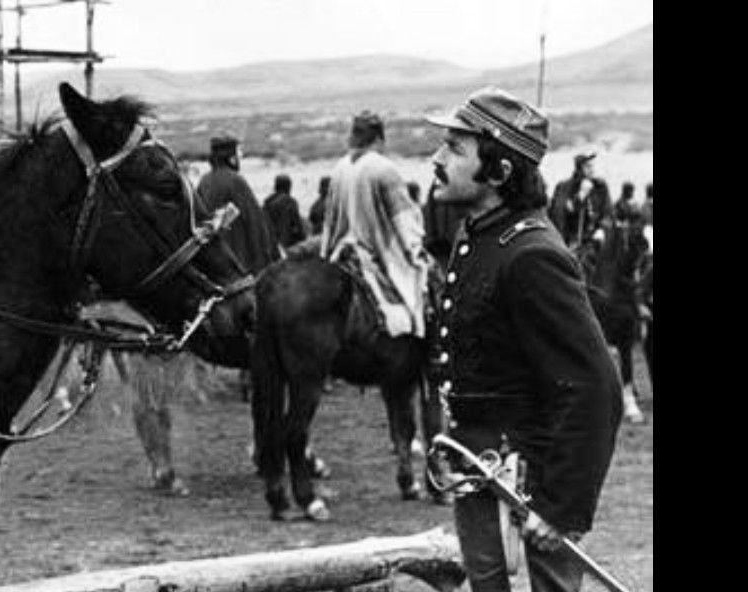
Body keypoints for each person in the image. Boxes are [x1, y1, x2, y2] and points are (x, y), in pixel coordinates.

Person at [424, 87, 622, 592]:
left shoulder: (530, 254)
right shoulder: (480, 235)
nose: (437, 159)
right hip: (479, 468)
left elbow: (596, 387)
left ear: (499, 172)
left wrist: (560, 507)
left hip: (530, 480)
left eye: (454, 148)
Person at [316, 111, 430, 339]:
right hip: (376, 251)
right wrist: (416, 251)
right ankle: (427, 340)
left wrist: (325, 254)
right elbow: (404, 219)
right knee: (426, 284)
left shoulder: (340, 167)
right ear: (378, 138)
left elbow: (330, 219)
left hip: (341, 250)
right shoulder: (383, 168)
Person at [195, 134, 279, 274]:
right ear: (231, 157)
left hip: (212, 264)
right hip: (239, 263)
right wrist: (264, 263)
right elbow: (255, 223)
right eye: (238, 151)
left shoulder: (204, 181)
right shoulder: (236, 181)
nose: (241, 155)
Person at [548, 152, 612, 252]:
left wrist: (602, 229)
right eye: (587, 167)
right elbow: (560, 212)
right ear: (579, 169)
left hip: (595, 239)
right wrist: (581, 196)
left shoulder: (600, 187)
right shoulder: (566, 187)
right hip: (572, 239)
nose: (592, 170)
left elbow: (608, 212)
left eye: (592, 166)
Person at [262, 173, 307, 252]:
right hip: (285, 245)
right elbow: (297, 226)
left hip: (268, 243)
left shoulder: (267, 202)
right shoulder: (290, 202)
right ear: (288, 187)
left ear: (275, 187)